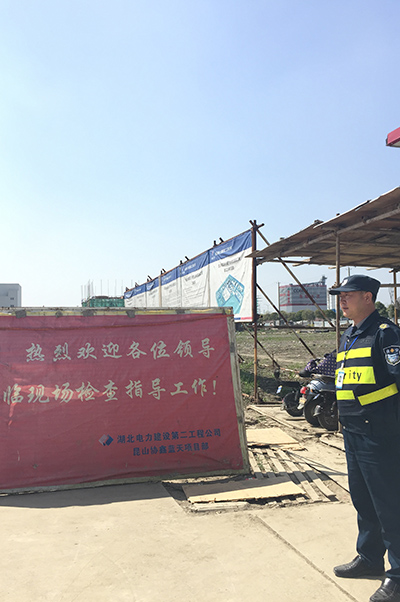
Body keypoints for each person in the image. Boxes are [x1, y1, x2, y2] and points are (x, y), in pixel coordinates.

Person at [329, 274, 400, 602]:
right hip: (353, 432)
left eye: (349, 294)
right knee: (363, 500)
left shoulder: (385, 334)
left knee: (389, 505)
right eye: (340, 295)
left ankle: (397, 576)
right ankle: (370, 558)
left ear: (368, 297)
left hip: (380, 434)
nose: (342, 300)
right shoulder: (350, 335)